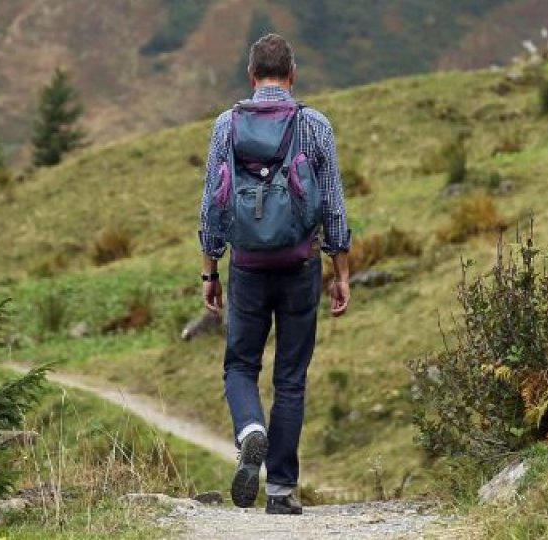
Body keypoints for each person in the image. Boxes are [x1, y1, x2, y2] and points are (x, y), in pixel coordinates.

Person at [198, 33, 351, 515]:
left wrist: (210, 271)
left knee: (240, 365)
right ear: (292, 74)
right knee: (290, 377)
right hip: (300, 264)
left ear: (251, 75)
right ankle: (281, 490)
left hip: (245, 266)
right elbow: (333, 205)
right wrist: (340, 270)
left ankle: (250, 430)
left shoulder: (226, 124)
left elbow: (211, 205)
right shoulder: (315, 125)